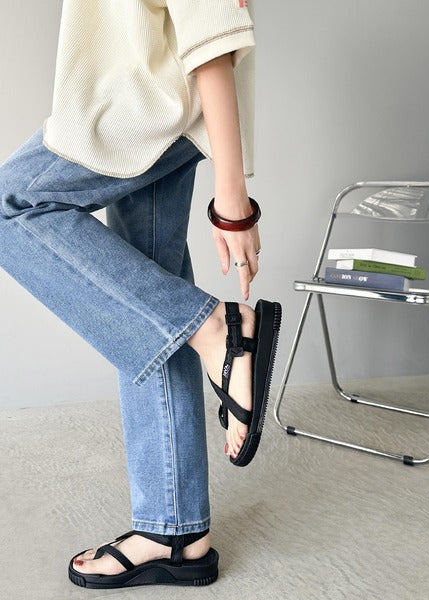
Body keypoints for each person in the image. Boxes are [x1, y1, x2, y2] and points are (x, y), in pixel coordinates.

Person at [0, 0, 281, 589]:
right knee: (149, 304)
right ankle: (175, 531)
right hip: (141, 110)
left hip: (141, 114)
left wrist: (233, 197)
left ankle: (219, 329)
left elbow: (212, 32)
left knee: (12, 207)